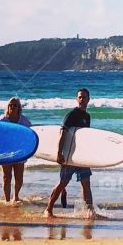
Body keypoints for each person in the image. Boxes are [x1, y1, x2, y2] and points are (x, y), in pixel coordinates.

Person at [45, 88, 94, 218]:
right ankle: (48, 209)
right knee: (63, 182)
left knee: (86, 183)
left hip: (81, 156)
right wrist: (59, 153)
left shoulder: (87, 116)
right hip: (69, 155)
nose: (82, 99)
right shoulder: (71, 114)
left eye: (84, 97)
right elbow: (63, 133)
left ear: (89, 99)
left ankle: (89, 211)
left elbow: (84, 137)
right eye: (80, 97)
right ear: (77, 99)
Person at [0, 97, 31, 203]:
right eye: (11, 105)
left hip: (19, 152)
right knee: (6, 177)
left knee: (19, 177)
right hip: (5, 152)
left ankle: (15, 197)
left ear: (19, 107)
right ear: (7, 107)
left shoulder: (24, 120)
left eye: (15, 105)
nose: (13, 107)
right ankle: (7, 200)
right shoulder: (2, 119)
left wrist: (28, 148)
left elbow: (31, 134)